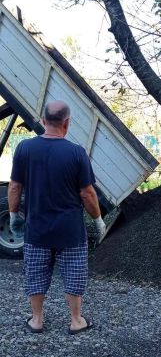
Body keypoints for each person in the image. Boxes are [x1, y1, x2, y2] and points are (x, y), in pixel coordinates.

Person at [8, 100, 106, 334]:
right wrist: (98, 220)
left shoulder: (24, 149)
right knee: (74, 273)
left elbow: (14, 186)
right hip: (70, 231)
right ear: (67, 123)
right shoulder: (76, 152)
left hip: (37, 228)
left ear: (42, 121)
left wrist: (13, 215)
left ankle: (37, 320)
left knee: (36, 273)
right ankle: (76, 321)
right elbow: (87, 192)